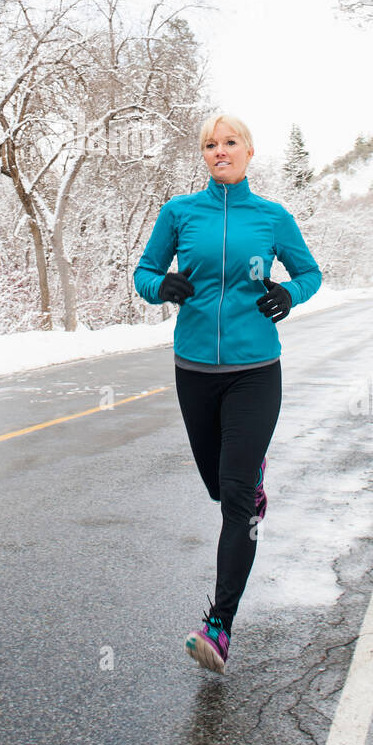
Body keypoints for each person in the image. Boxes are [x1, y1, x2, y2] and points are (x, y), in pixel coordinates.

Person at [133, 112, 322, 673]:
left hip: (255, 370)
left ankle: (219, 625)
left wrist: (288, 295)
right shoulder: (179, 213)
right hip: (194, 370)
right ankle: (249, 483)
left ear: (249, 152)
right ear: (204, 155)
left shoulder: (271, 217)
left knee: (237, 498)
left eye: (230, 142)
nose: (220, 151)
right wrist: (159, 286)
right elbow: (144, 272)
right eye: (211, 145)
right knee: (219, 488)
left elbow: (309, 273)